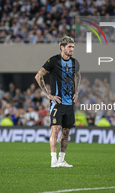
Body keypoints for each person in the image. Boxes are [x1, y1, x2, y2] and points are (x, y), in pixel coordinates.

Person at [35, 36, 81, 168]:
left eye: (73, 47)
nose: (72, 49)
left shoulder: (75, 63)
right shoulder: (53, 61)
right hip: (57, 103)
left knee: (66, 132)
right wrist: (48, 95)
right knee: (55, 129)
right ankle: (53, 161)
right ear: (62, 47)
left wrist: (76, 92)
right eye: (69, 47)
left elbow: (78, 76)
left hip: (69, 104)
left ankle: (62, 160)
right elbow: (38, 76)